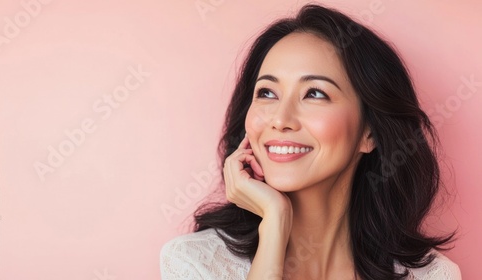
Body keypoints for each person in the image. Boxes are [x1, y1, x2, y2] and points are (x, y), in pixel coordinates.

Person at [160, 4, 461, 279]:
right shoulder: (196, 263)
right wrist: (275, 224)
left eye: (315, 93)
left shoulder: (433, 276)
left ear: (369, 133)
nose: (280, 119)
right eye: (267, 93)